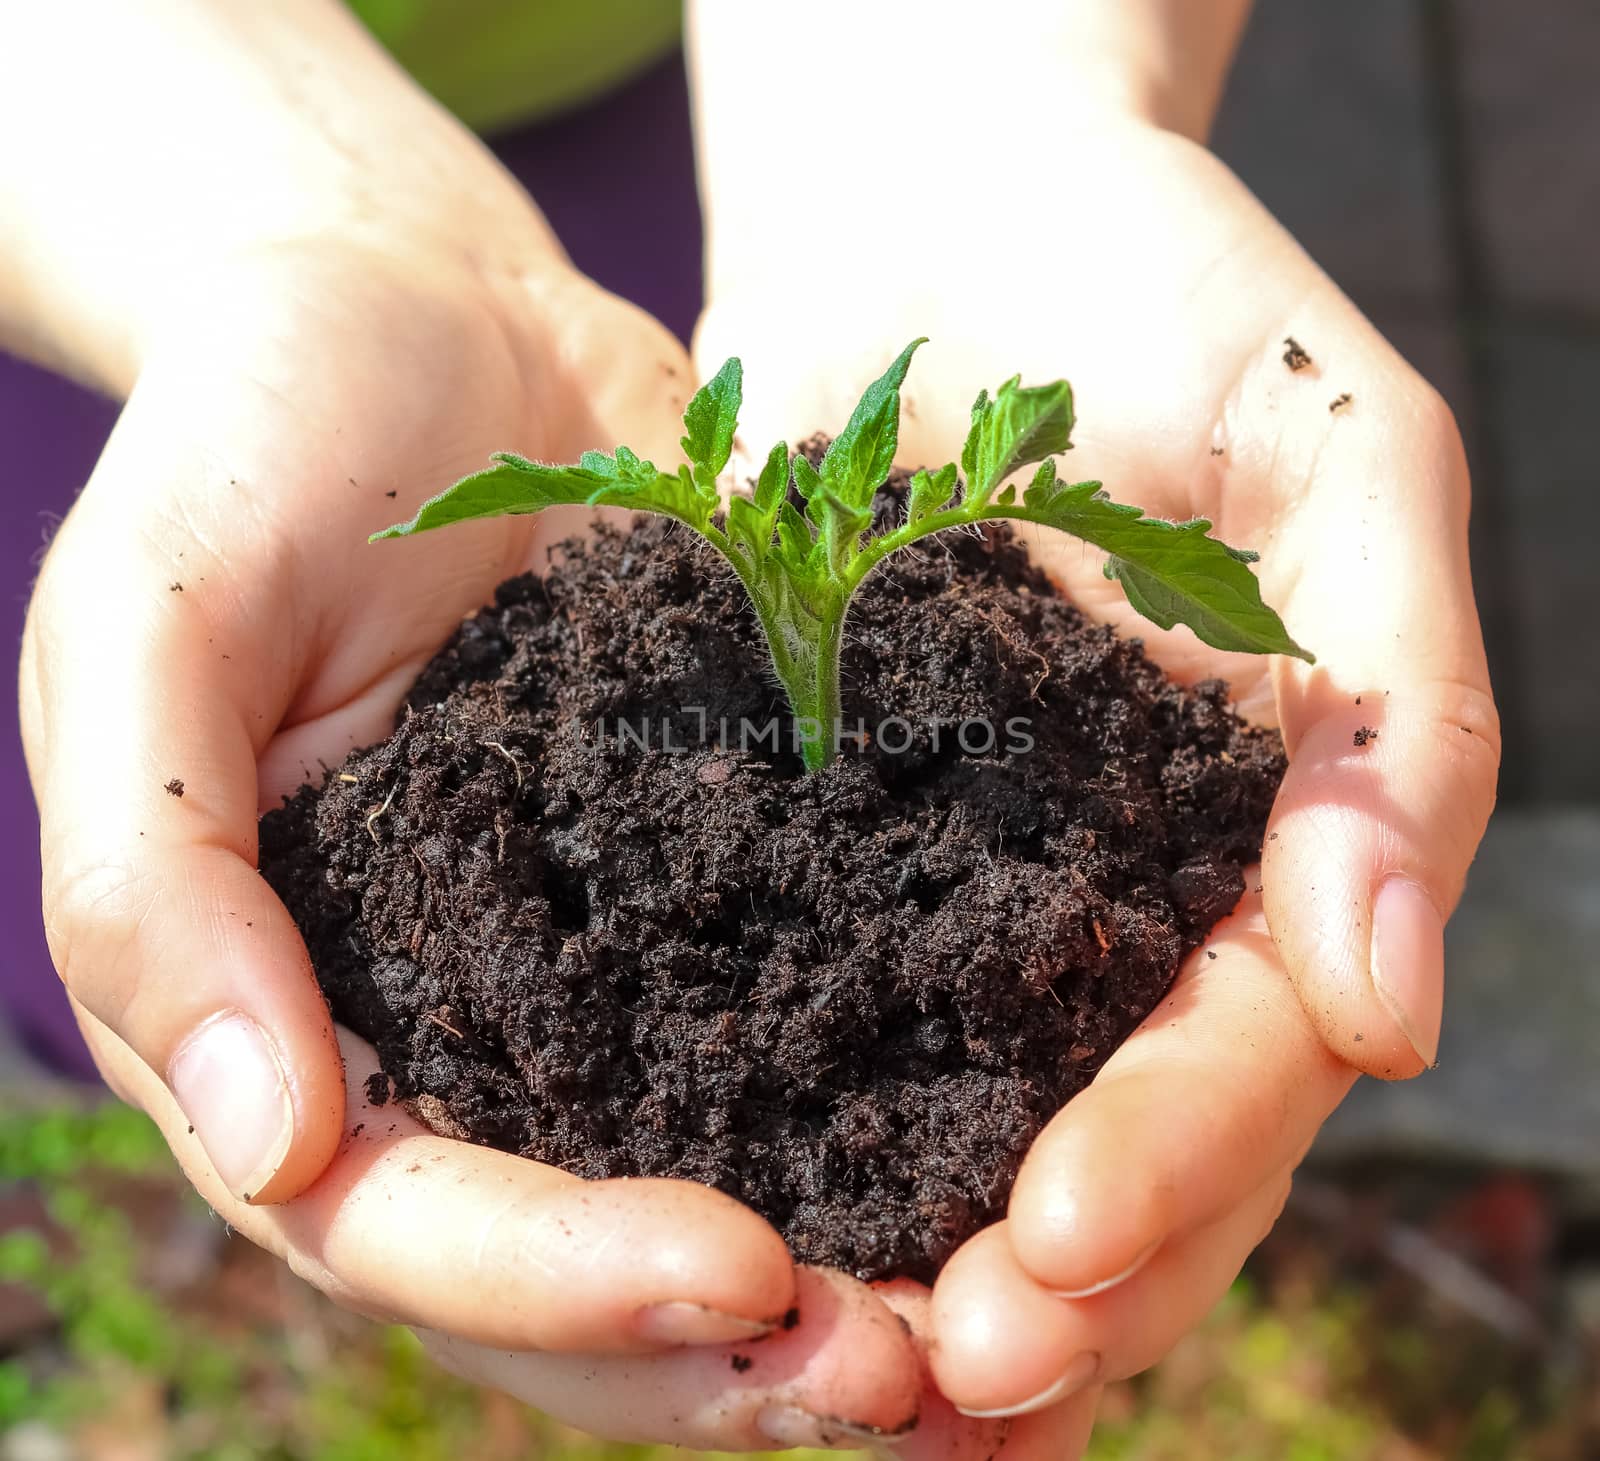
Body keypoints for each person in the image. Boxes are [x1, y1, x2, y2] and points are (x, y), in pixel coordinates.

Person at [4, 0, 1498, 1454]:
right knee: (151, 802)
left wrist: (974, 110)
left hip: (746, 74)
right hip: (122, 148)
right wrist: (275, 235)